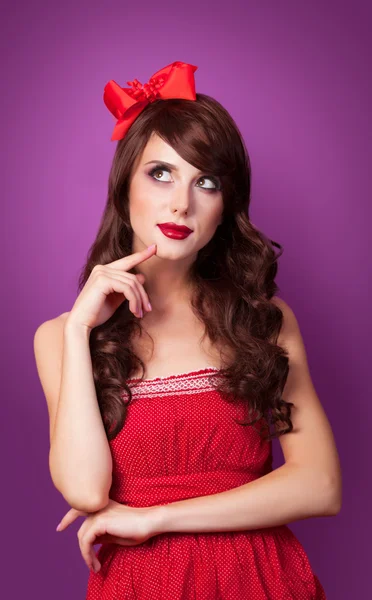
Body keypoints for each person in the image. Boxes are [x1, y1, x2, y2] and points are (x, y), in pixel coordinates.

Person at [33, 61, 342, 599]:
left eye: (206, 182)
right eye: (160, 174)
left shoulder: (263, 321)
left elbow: (321, 485)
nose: (181, 203)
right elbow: (86, 490)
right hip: (142, 586)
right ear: (123, 188)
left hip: (263, 580)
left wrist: (155, 518)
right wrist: (80, 326)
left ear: (225, 208)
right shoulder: (61, 337)